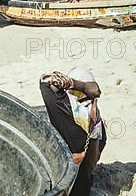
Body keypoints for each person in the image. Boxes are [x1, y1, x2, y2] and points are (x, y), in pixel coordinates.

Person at [40, 68, 105, 196]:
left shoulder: (67, 111)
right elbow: (102, 144)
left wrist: (79, 85)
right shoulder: (95, 117)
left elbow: (46, 81)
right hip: (84, 185)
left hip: (67, 190)